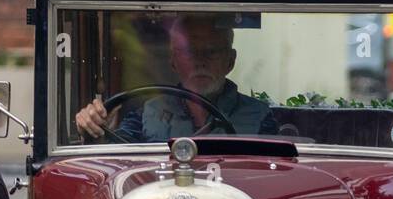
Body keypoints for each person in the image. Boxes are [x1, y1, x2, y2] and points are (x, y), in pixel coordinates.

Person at [75, 14, 276, 142]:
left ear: (230, 62)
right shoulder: (147, 113)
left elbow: (267, 176)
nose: (200, 62)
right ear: (174, 62)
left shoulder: (259, 117)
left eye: (211, 51)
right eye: (190, 53)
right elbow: (118, 158)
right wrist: (92, 125)